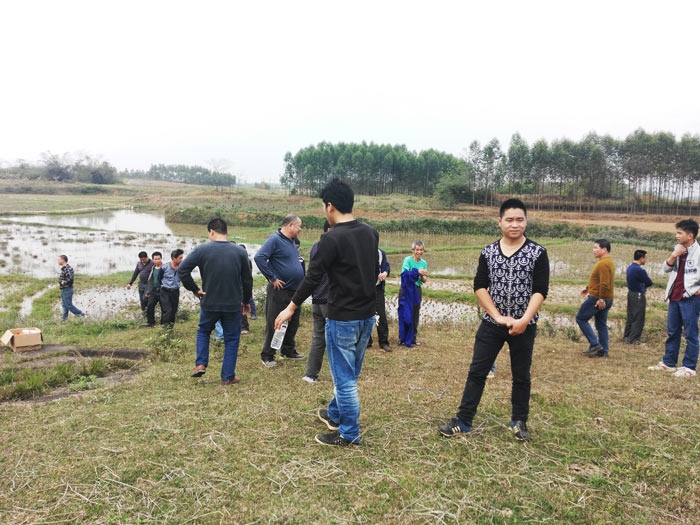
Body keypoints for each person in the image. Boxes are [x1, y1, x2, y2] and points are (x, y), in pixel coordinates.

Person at [276, 178, 379, 446]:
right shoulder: (370, 233)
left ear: (330, 206)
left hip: (342, 318)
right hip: (367, 317)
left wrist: (290, 307)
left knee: (345, 380)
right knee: (349, 373)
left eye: (324, 207)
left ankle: (349, 433)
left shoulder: (331, 239)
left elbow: (312, 278)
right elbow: (372, 273)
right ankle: (334, 413)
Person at [438, 198, 549, 441]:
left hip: (524, 325)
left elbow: (540, 289)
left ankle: (519, 421)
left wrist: (524, 320)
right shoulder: (488, 252)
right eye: (509, 219)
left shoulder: (538, 253)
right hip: (491, 324)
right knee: (477, 372)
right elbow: (480, 286)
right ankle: (463, 420)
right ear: (499, 222)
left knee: (521, 375)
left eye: (519, 219)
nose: (514, 224)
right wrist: (497, 316)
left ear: (526, 222)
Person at [178, 218, 253, 385]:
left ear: (211, 231)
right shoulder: (239, 251)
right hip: (232, 304)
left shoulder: (201, 249)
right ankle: (228, 376)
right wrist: (246, 300)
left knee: (204, 331)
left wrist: (195, 290)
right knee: (232, 338)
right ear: (227, 232)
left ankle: (200, 364)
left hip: (209, 302)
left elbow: (182, 270)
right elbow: (247, 280)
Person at [648, 219, 700, 377]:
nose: (676, 236)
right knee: (673, 331)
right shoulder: (677, 250)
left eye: (679, 233)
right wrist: (674, 255)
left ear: (690, 235)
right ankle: (669, 363)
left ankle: (689, 367)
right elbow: (665, 268)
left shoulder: (698, 252)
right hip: (674, 297)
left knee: (690, 333)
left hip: (690, 299)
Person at [254, 214, 306, 367]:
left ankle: (288, 350)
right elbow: (259, 257)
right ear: (290, 225)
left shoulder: (291, 241)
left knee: (293, 321)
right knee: (275, 322)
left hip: (294, 290)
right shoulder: (275, 239)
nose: (300, 230)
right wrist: (272, 278)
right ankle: (267, 355)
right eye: (299, 227)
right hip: (280, 290)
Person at [302, 221, 331, 383]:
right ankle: (341, 376)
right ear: (330, 229)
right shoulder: (332, 247)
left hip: (317, 298)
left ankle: (310, 374)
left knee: (318, 337)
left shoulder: (315, 246)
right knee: (336, 338)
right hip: (328, 300)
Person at [576, 239, 615, 358]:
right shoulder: (608, 262)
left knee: (581, 318)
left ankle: (595, 344)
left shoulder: (603, 264)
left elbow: (604, 284)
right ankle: (603, 350)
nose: (593, 250)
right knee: (601, 324)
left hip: (597, 298)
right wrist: (588, 288)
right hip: (607, 298)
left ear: (604, 249)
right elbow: (600, 280)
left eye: (595, 248)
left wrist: (601, 299)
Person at [398, 241, 427, 347]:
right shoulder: (407, 260)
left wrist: (423, 276)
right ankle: (402, 338)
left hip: (417, 290)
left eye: (421, 250)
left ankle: (413, 338)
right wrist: (417, 271)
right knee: (404, 313)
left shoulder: (424, 263)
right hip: (406, 290)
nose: (419, 252)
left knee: (415, 314)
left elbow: (424, 280)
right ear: (413, 250)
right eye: (417, 250)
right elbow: (404, 274)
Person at [623, 250, 652, 345]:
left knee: (630, 316)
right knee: (638, 317)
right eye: (645, 258)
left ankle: (627, 336)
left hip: (631, 293)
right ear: (641, 258)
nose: (646, 260)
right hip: (638, 295)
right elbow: (649, 282)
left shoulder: (630, 267)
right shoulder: (639, 270)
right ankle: (634, 339)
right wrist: (643, 285)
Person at [368, 248, 391, 352]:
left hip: (378, 288)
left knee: (381, 315)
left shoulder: (381, 253)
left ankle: (384, 342)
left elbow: (386, 267)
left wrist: (385, 273)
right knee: (364, 314)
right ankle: (366, 341)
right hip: (365, 289)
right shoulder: (362, 251)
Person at [159, 248, 183, 327]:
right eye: (180, 258)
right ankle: (164, 326)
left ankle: (170, 326)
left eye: (182, 258)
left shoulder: (182, 267)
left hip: (175, 291)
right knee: (167, 310)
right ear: (173, 258)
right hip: (165, 291)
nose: (181, 260)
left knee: (173, 310)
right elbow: (159, 278)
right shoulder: (164, 267)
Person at [58, 255, 86, 321]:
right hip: (64, 289)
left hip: (67, 289)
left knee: (68, 305)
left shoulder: (68, 268)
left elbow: (70, 279)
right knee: (64, 305)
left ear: (63, 260)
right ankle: (64, 319)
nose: (58, 261)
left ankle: (81, 315)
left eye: (59, 260)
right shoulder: (64, 268)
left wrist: (64, 282)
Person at [144, 251, 164, 327]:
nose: (157, 261)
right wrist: (148, 291)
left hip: (162, 291)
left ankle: (163, 323)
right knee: (150, 305)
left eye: (158, 259)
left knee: (164, 307)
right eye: (155, 259)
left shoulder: (164, 268)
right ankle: (150, 322)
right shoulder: (153, 268)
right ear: (152, 260)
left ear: (161, 259)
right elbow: (150, 280)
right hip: (154, 291)